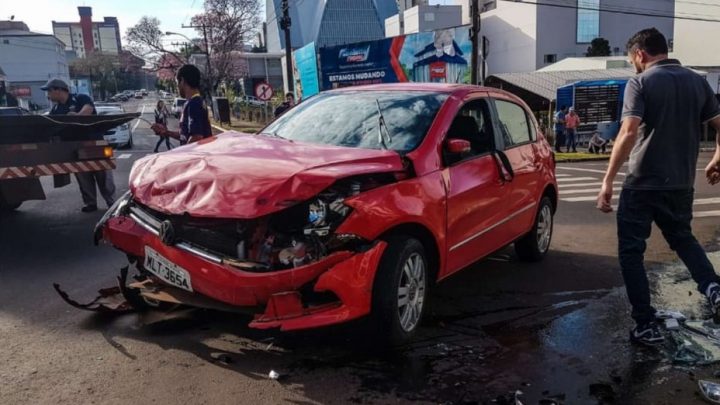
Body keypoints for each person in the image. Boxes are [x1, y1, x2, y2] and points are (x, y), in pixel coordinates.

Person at [597, 28, 720, 346]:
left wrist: (608, 180)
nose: (633, 65)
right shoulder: (698, 81)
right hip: (680, 183)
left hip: (642, 184)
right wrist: (716, 158)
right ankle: (713, 289)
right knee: (683, 239)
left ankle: (644, 322)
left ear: (640, 54)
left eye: (632, 59)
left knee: (631, 252)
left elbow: (628, 132)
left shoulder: (640, 82)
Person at [44, 78, 115, 213]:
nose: (48, 95)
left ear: (58, 90)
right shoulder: (56, 109)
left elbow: (87, 110)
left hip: (94, 143)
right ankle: (90, 203)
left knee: (103, 174)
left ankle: (111, 202)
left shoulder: (80, 98)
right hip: (73, 146)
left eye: (49, 91)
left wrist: (76, 116)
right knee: (82, 175)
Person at [151, 64, 212, 144]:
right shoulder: (192, 102)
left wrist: (183, 154)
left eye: (177, 82)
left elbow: (197, 137)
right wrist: (166, 132)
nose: (177, 87)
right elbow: (184, 136)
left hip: (196, 156)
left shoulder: (194, 104)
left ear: (182, 81)